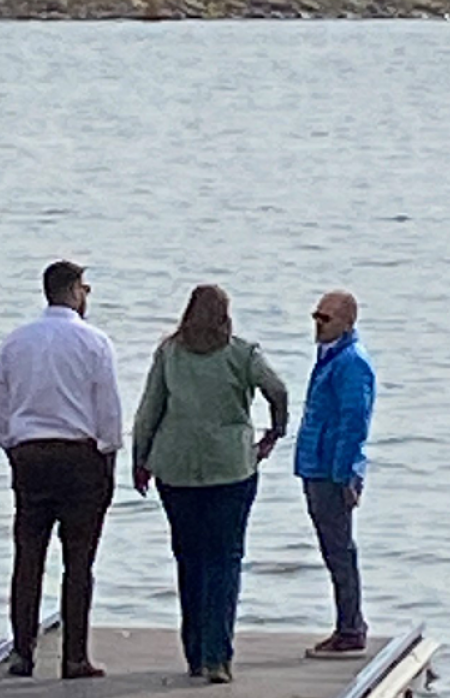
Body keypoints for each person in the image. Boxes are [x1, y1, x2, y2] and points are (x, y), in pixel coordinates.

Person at [131, 285, 289, 686]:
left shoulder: (169, 353)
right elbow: (278, 390)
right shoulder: (242, 353)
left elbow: (150, 408)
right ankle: (219, 657)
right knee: (225, 559)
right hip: (231, 467)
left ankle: (196, 654)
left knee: (189, 558)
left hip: (177, 469)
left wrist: (140, 459)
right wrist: (274, 433)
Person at [0, 260, 122, 681]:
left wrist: (12, 446)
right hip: (80, 457)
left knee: (28, 556)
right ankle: (74, 657)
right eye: (85, 288)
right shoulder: (94, 341)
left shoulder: (16, 342)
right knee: (79, 560)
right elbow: (108, 411)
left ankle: (22, 653)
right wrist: (109, 452)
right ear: (75, 291)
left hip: (29, 455)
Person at [293, 289, 376, 658]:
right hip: (316, 464)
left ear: (346, 321)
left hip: (332, 470)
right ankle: (349, 623)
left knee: (340, 550)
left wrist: (344, 474)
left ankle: (350, 628)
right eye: (316, 316)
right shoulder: (329, 357)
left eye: (324, 319)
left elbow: (353, 422)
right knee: (332, 549)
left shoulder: (351, 362)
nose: (318, 324)